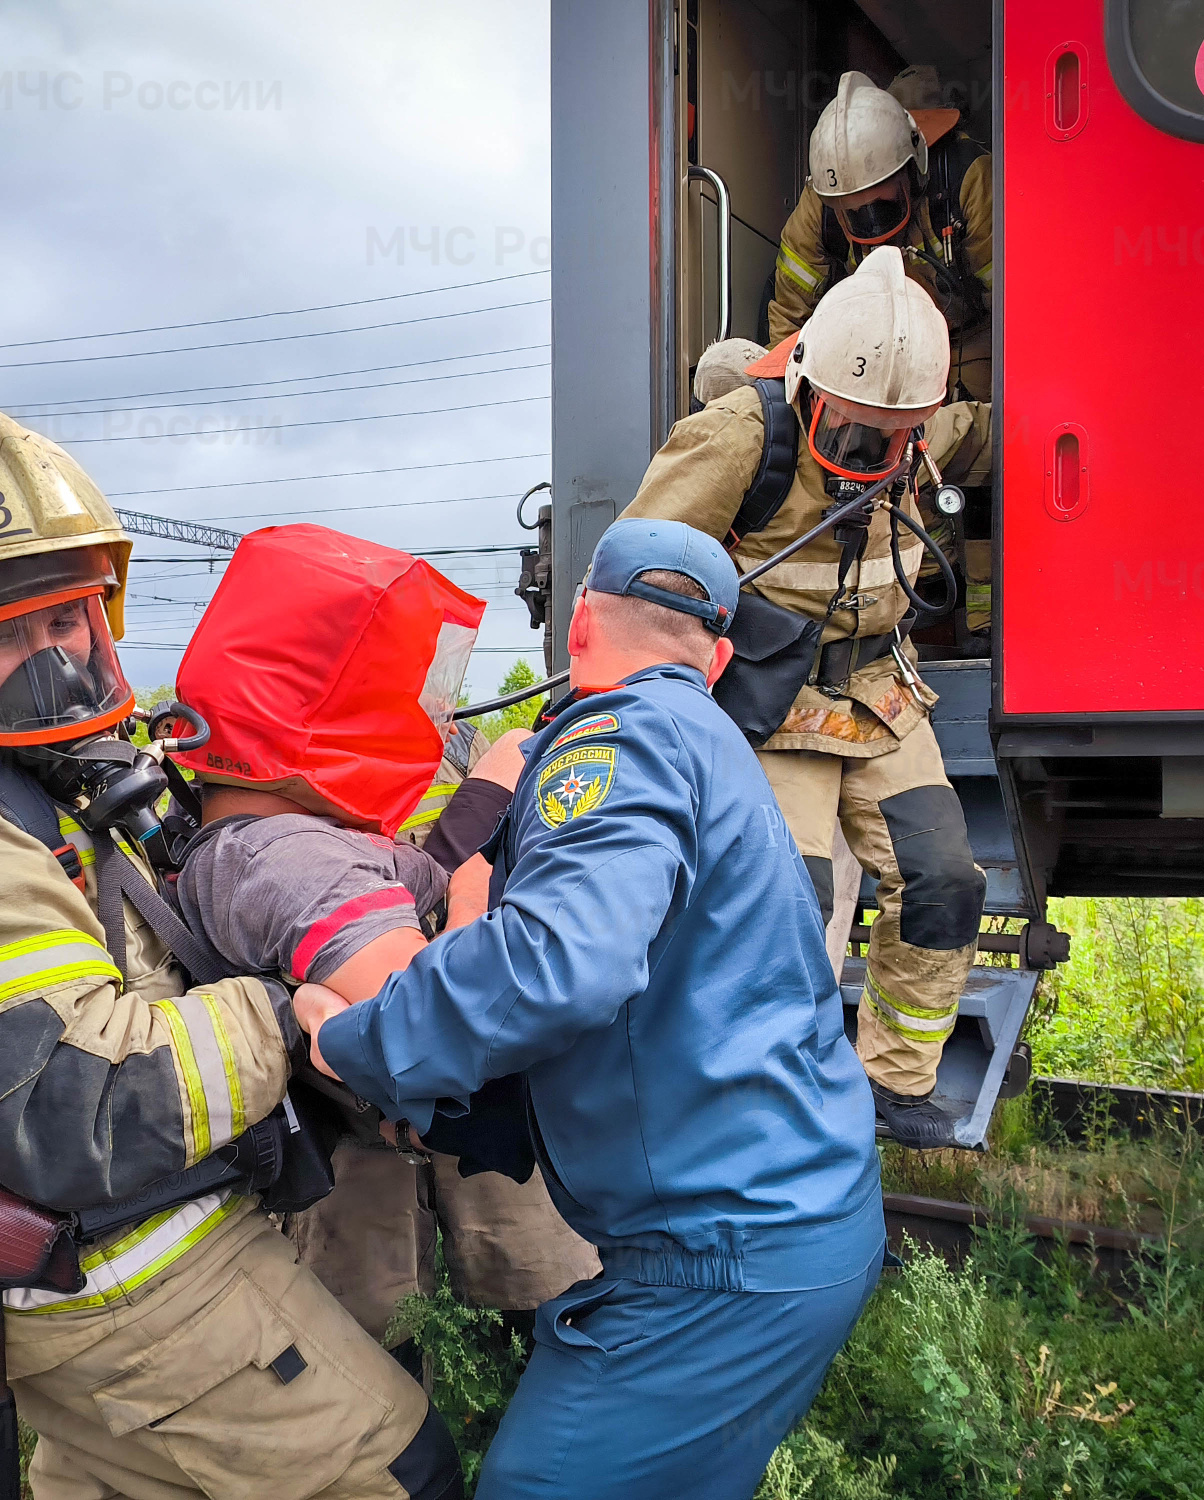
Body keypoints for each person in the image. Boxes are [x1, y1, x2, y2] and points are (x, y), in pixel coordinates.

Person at [0, 406, 460, 1500]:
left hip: (110, 1248)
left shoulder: (28, 764)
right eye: (7, 639)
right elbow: (79, 1112)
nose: (54, 666)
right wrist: (295, 1004)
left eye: (71, 623)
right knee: (399, 1473)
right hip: (118, 1274)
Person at [297, 517, 886, 1499]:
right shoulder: (711, 739)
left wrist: (360, 1039)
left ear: (577, 625)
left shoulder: (615, 739)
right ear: (720, 655)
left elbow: (558, 962)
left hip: (718, 1260)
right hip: (796, 1220)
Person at [165, 528, 599, 1359]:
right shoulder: (289, 856)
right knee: (379, 1364)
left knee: (501, 1318)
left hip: (412, 1136)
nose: (427, 714)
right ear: (329, 699)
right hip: (362, 1151)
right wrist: (473, 882)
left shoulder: (286, 814)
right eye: (398, 688)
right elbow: (439, 1023)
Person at [623, 246, 988, 1151]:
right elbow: (637, 574)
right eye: (856, 436)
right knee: (792, 901)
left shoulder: (924, 437)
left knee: (943, 878)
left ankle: (891, 1086)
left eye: (894, 439)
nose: (873, 456)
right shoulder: (739, 438)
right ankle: (768, 1102)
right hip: (771, 701)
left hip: (879, 693)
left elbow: (1002, 428)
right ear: (810, 390)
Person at [768, 68, 992, 402]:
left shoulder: (969, 182)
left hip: (966, 346)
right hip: (868, 353)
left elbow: (1018, 310)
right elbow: (789, 321)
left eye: (882, 206)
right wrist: (788, 402)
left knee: (976, 428)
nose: (872, 226)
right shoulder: (818, 212)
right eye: (855, 214)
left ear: (913, 172)